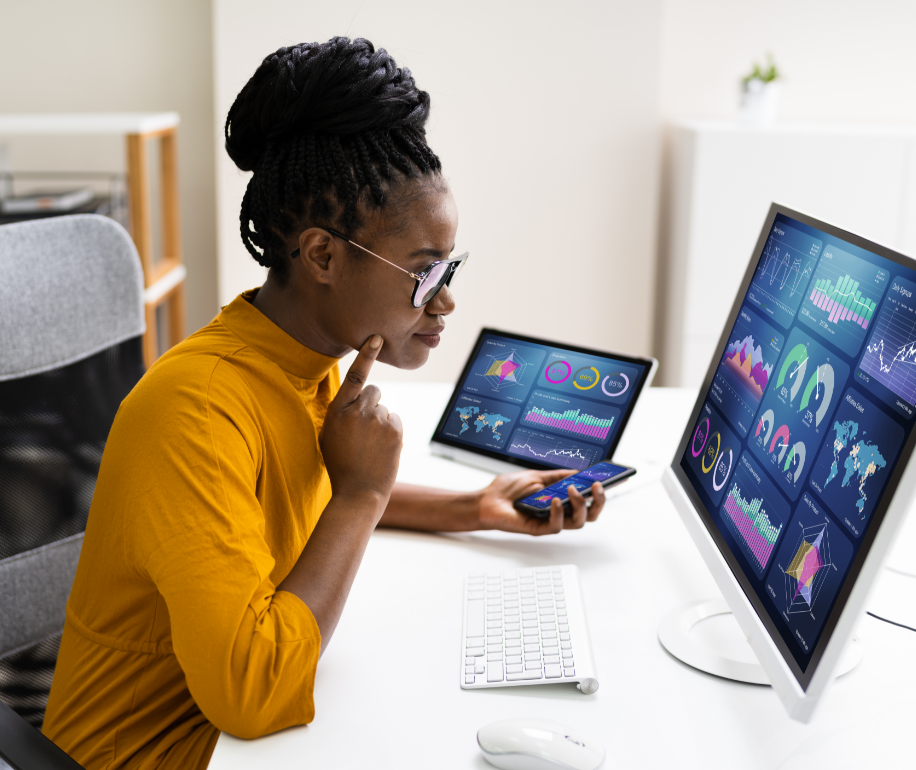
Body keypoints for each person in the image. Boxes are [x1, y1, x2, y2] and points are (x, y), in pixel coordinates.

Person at [42, 37, 605, 770]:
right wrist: (363, 495)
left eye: (448, 266)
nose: (446, 299)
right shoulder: (198, 410)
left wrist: (473, 507)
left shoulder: (300, 364)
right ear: (322, 256)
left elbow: (298, 488)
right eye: (423, 272)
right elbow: (252, 694)